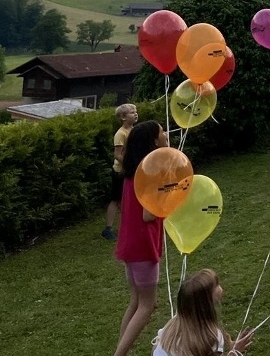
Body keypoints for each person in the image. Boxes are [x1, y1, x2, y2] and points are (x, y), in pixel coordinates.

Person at [113, 120, 168, 356]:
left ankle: (119, 351)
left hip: (129, 244)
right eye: (162, 132)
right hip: (143, 246)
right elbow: (148, 214)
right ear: (153, 141)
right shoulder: (150, 173)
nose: (166, 134)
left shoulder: (132, 172)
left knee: (136, 301)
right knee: (147, 305)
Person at [152, 269, 253, 356]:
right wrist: (235, 351)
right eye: (216, 284)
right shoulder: (211, 337)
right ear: (207, 303)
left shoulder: (171, 325)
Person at [103, 103, 139, 241]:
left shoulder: (133, 130)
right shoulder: (121, 134)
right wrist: (131, 163)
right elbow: (117, 155)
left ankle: (129, 226)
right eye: (132, 112)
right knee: (116, 199)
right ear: (123, 117)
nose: (135, 114)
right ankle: (108, 229)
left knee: (129, 199)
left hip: (131, 170)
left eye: (136, 111)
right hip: (120, 172)